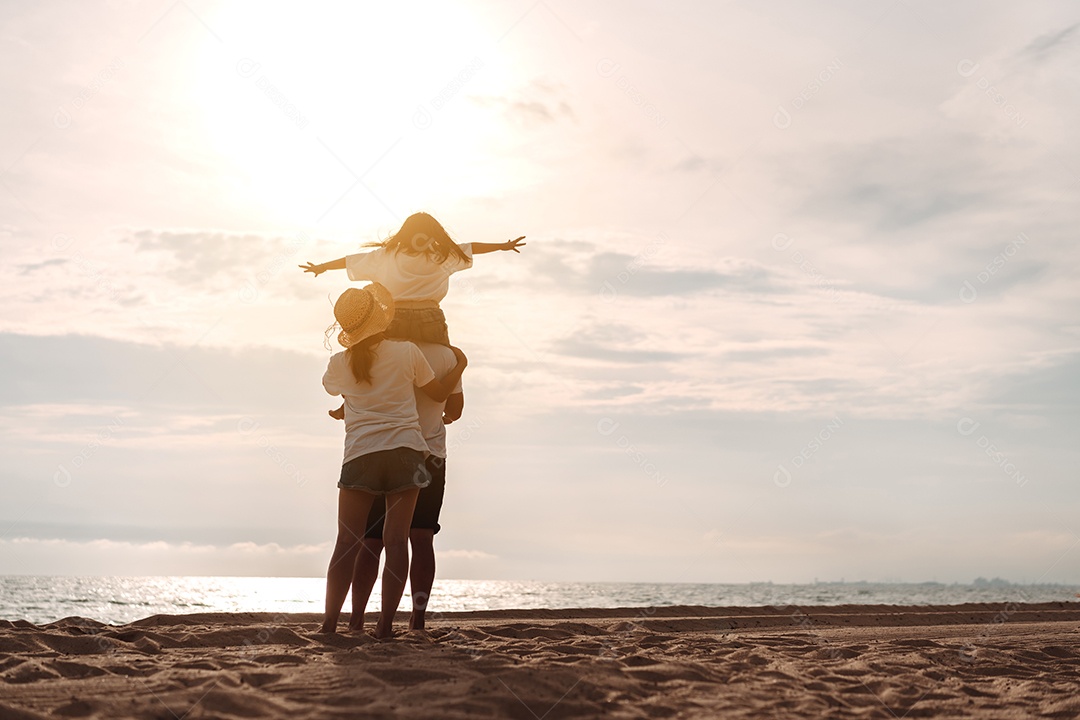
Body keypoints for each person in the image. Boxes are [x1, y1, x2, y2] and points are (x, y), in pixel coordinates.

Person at [319, 282, 467, 638]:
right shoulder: (406, 352)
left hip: (360, 455)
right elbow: (438, 394)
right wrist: (460, 362)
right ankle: (385, 626)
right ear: (382, 319)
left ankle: (329, 627)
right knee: (398, 541)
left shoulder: (339, 363)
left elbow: (335, 391)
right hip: (406, 452)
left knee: (347, 542)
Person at [299, 212, 523, 418]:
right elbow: (471, 248)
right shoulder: (442, 255)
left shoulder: (387, 255)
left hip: (392, 318)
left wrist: (323, 267)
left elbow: (351, 261)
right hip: (431, 318)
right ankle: (451, 406)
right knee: (447, 360)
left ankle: (348, 403)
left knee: (366, 355)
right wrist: (503, 246)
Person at [349, 341, 463, 632]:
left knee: (373, 540)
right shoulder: (448, 355)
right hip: (430, 453)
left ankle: (357, 618)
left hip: (385, 448)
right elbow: (456, 409)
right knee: (421, 538)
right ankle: (417, 619)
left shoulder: (384, 350)